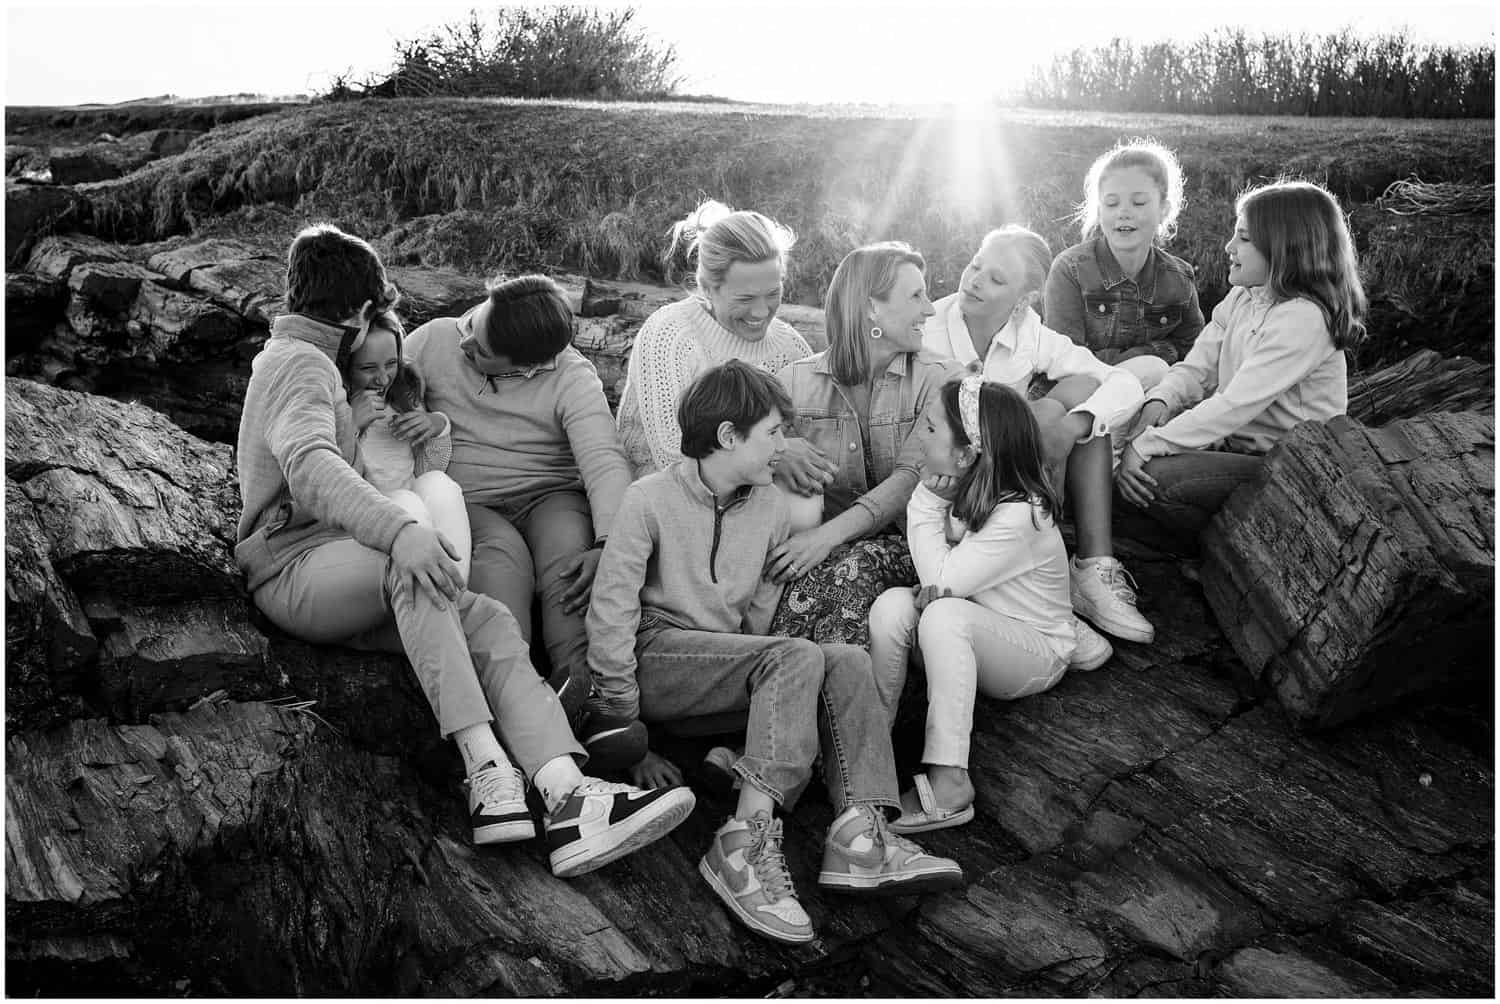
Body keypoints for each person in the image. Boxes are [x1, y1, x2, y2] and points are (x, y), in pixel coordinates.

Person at [235, 224, 693, 878]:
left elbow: (377, 452)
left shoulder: (317, 360)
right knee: (417, 567)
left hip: (348, 560)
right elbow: (309, 465)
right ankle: (487, 769)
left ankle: (569, 795)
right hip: (294, 565)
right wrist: (402, 530)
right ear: (360, 310)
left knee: (488, 618)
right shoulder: (298, 364)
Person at [585, 360, 963, 945]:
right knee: (794, 655)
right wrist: (627, 732)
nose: (782, 448)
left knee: (842, 658)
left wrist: (784, 678)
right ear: (728, 437)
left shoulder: (765, 505)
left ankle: (861, 831)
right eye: (772, 435)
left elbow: (760, 613)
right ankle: (744, 840)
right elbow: (611, 615)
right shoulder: (648, 499)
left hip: (728, 668)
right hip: (656, 658)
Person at [405, 275, 643, 766]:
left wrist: (607, 544)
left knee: (568, 563)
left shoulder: (572, 377)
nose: (466, 340)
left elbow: (602, 460)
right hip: (471, 501)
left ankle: (586, 695)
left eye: (483, 349)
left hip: (549, 494)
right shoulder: (432, 341)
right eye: (475, 322)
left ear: (531, 368)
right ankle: (521, 706)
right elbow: (385, 398)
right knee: (502, 574)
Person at [923, 226, 1151, 662]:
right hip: (947, 475)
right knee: (1050, 410)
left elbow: (1123, 382)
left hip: (1006, 481)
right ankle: (1051, 612)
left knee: (1081, 410)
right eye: (975, 266)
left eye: (996, 279)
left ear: (1023, 299)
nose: (974, 281)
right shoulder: (930, 325)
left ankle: (1090, 571)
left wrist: (1074, 425)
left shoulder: (1031, 334)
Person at [868, 375, 1075, 832]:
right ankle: (869, 747)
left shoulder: (1022, 513)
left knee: (942, 612)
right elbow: (941, 580)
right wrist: (938, 585)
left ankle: (950, 780)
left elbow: (940, 584)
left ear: (965, 454)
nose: (917, 438)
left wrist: (923, 503)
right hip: (976, 628)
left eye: (929, 429)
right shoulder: (965, 487)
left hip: (1035, 650)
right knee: (890, 607)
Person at [1116, 180, 1367, 541]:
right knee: (1137, 430)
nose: (1229, 247)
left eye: (1244, 238)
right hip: (1233, 447)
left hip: (1288, 465)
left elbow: (1234, 405)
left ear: (1285, 247)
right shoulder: (1244, 296)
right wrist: (1162, 400)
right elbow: (1198, 368)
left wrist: (1146, 445)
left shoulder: (1303, 319)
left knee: (1158, 478)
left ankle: (1221, 549)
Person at [769, 242, 964, 647]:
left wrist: (824, 540)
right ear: (871, 308)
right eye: (916, 296)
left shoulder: (940, 379)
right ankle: (782, 681)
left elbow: (911, 478)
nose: (930, 310)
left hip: (918, 545)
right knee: (793, 576)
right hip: (825, 546)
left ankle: (828, 701)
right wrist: (780, 447)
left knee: (849, 569)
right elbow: (735, 445)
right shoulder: (792, 384)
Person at [614, 199, 835, 490]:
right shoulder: (671, 333)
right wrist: (776, 456)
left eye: (772, 293)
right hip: (663, 496)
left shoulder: (791, 348)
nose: (761, 312)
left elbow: (808, 440)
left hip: (755, 492)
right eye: (744, 299)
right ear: (708, 288)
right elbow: (672, 458)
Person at [1044, 140, 1205, 391]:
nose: (1123, 212)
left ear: (1164, 209)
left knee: (1163, 376)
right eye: (1112, 203)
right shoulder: (1070, 269)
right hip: (1077, 393)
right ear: (1099, 210)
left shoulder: (1180, 279)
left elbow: (1196, 353)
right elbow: (1064, 361)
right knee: (1155, 369)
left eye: (1138, 202)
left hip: (1150, 394)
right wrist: (1148, 355)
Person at [342, 307, 472, 585]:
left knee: (440, 484)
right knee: (407, 501)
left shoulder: (400, 397)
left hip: (410, 491)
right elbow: (326, 478)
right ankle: (432, 594)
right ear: (345, 364)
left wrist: (436, 424)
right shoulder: (336, 405)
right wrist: (350, 425)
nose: (382, 378)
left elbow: (429, 467)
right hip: (366, 511)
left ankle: (457, 590)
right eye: (367, 368)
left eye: (390, 364)